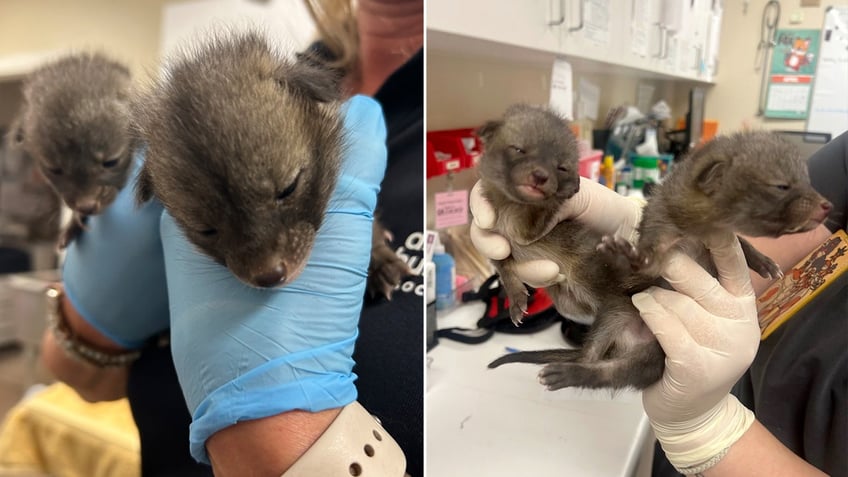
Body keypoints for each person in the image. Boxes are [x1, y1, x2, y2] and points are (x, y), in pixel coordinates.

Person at [40, 1, 423, 476]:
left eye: (285, 189)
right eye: (207, 230)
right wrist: (90, 313)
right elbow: (80, 381)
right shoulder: (293, 67)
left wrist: (284, 450)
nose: (266, 266)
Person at [469, 131, 848, 476]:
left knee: (642, 350)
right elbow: (746, 240)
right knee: (626, 315)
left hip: (739, 436)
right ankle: (591, 361)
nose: (820, 205)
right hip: (710, 380)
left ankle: (593, 371)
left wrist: (711, 434)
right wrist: (617, 242)